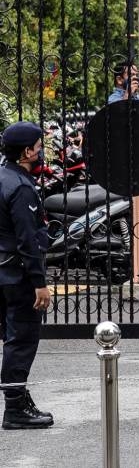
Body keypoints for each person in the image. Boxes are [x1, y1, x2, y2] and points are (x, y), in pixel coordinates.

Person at [0, 121, 53, 430]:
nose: (41, 150)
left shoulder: (5, 177)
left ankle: (17, 398)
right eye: (38, 145)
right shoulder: (20, 186)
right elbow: (27, 240)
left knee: (11, 340)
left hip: (4, 272)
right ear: (27, 151)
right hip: (18, 277)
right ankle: (16, 408)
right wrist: (40, 284)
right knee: (21, 341)